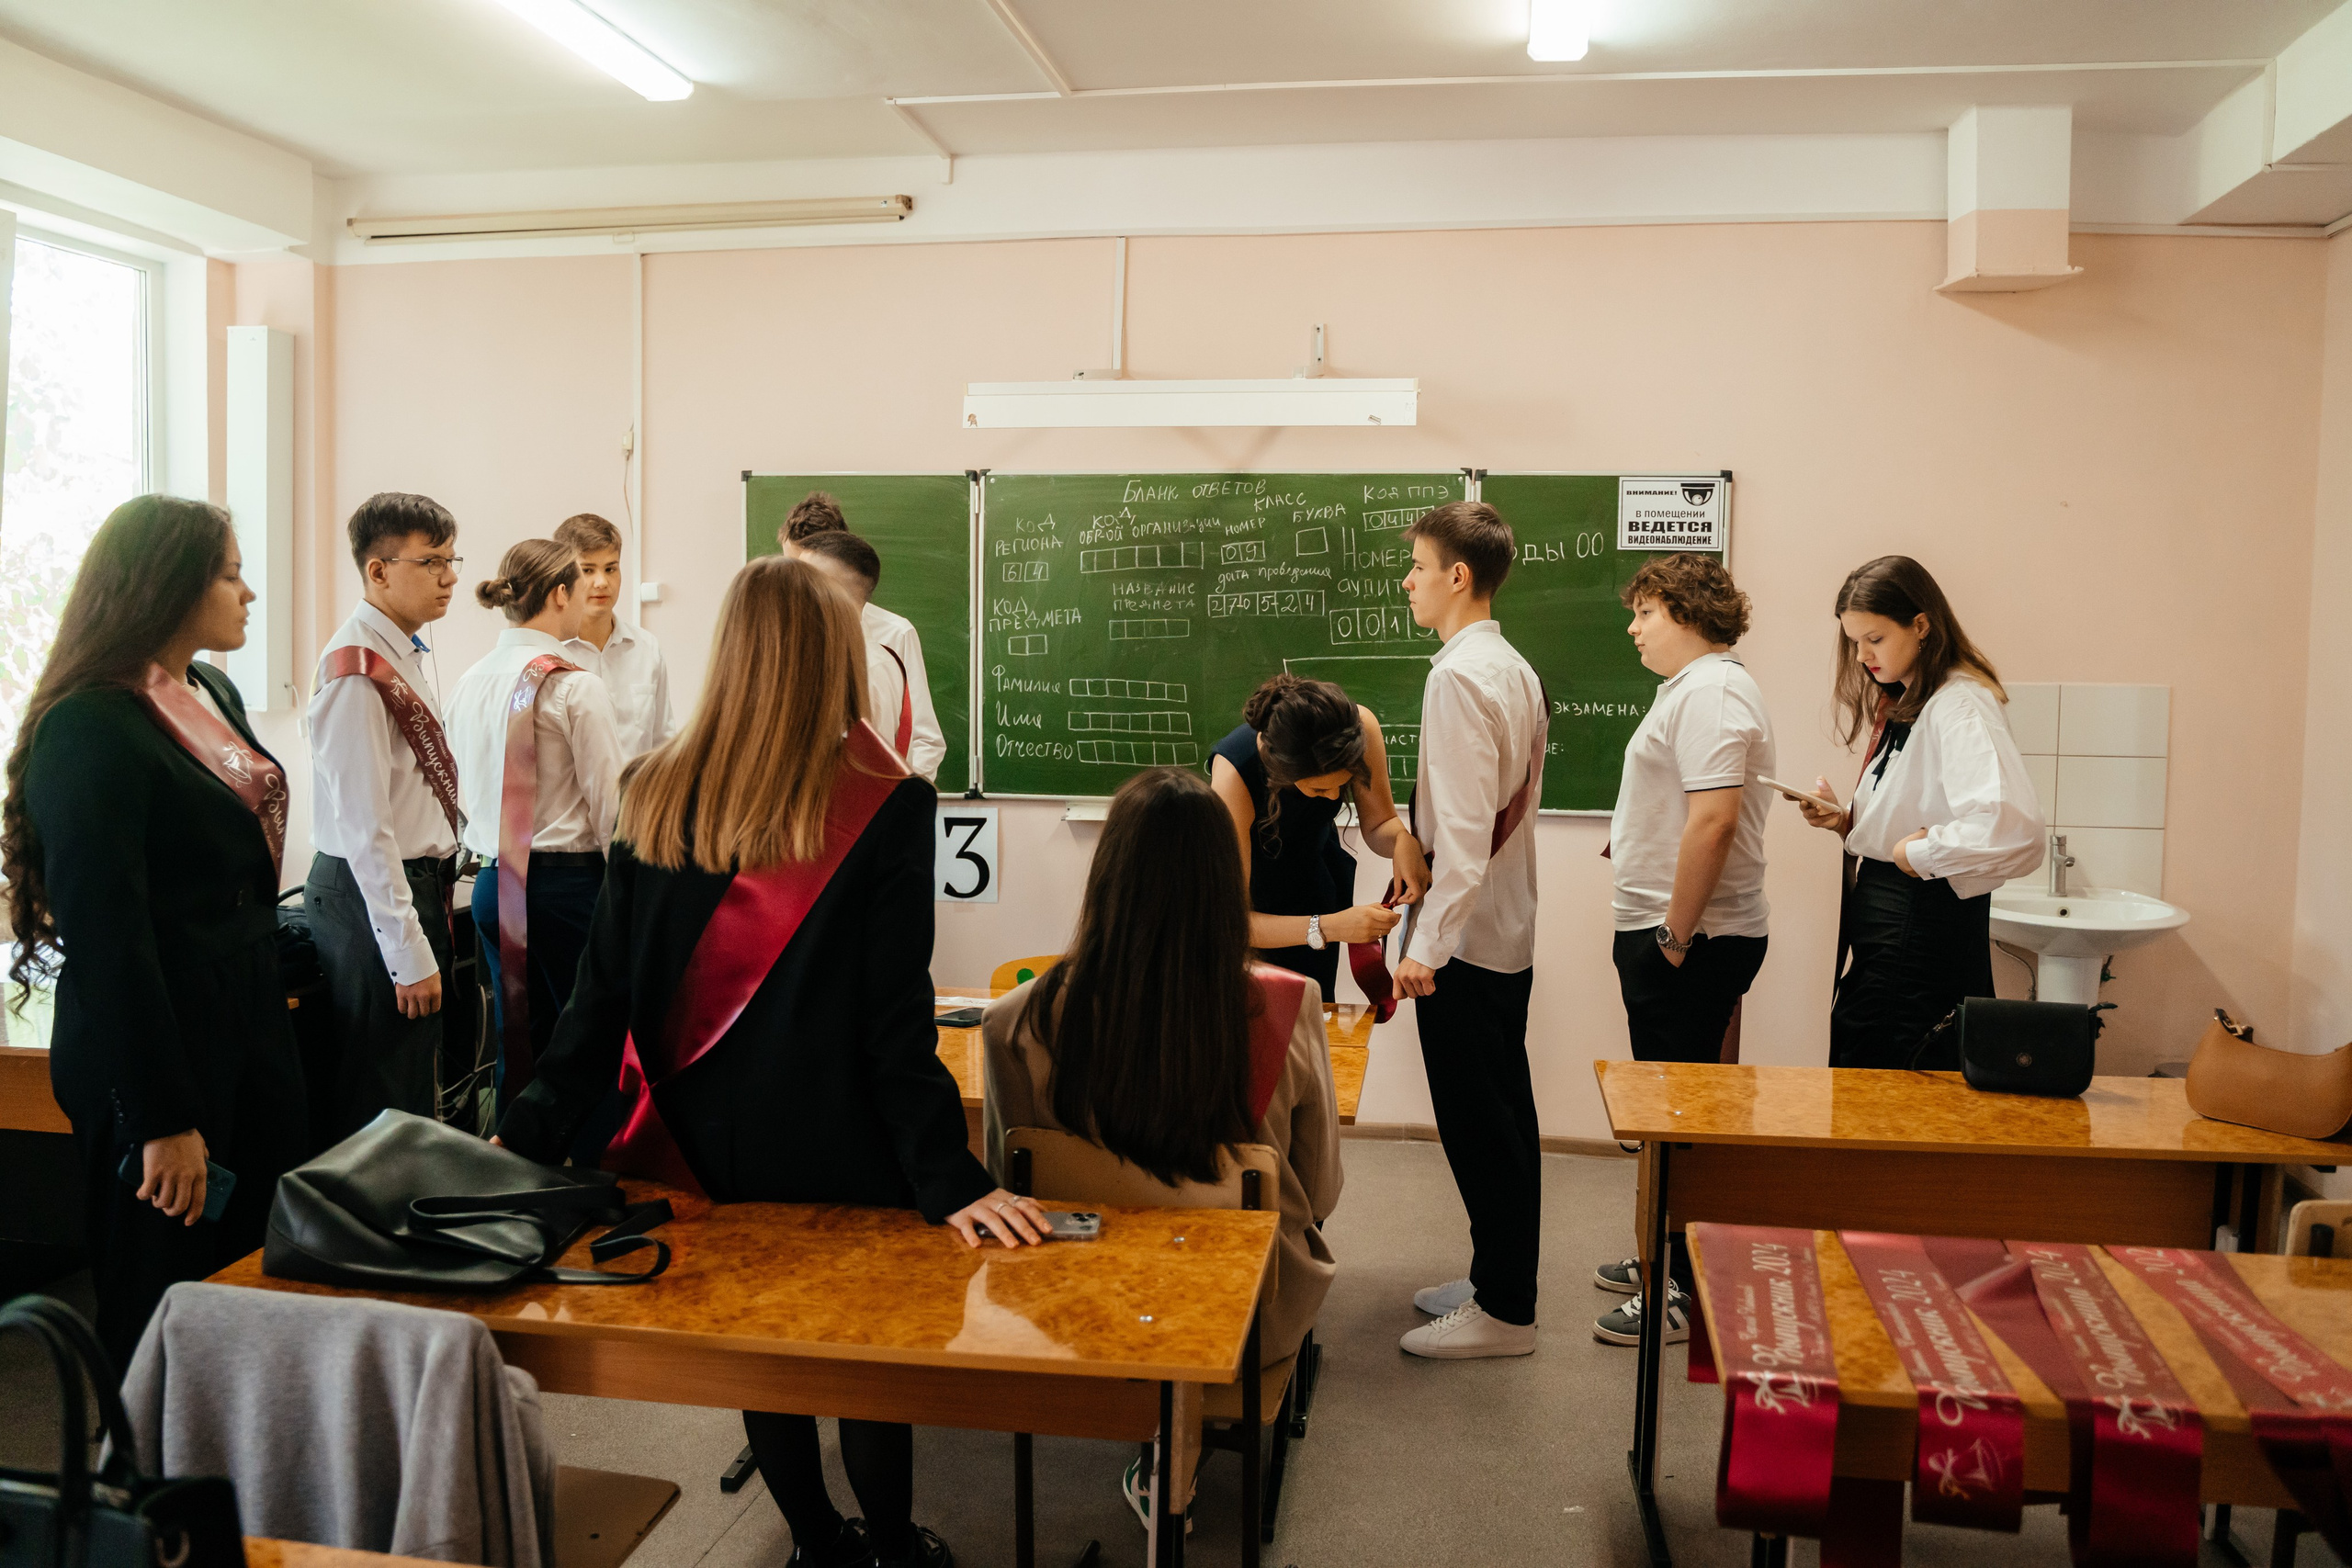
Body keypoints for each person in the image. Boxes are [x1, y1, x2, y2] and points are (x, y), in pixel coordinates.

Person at [496, 554, 1042, 1568]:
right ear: (839, 657)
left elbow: (596, 1004)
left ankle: (814, 1543)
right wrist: (950, 1177)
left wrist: (517, 1133)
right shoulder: (886, 801)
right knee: (862, 1359)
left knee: (762, 1349)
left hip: (695, 1148)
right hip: (842, 1142)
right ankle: (891, 1545)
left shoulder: (654, 792)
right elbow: (893, 1028)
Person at [982, 764, 1344, 1528]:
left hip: (1078, 1307)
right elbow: (1318, 1186)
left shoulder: (1016, 1020)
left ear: (1106, 872)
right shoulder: (1287, 1004)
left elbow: (1006, 1182)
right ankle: (1174, 1454)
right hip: (1246, 1315)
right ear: (1223, 882)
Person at [4, 496, 310, 1367]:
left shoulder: (209, 689)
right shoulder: (91, 723)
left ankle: (246, 1473)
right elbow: (111, 940)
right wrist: (162, 1117)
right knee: (165, 1284)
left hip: (244, 1010)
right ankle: (150, 1484)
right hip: (156, 1037)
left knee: (253, 1266)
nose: (249, 593)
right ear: (167, 584)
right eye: (230, 573)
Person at [1592, 554, 1776, 1349]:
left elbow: (1715, 823)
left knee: (1678, 1120)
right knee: (1672, 1112)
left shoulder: (1713, 691)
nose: (1632, 628)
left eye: (1645, 613)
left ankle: (1681, 1289)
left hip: (1689, 944)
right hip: (1678, 935)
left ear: (1685, 611)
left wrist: (1673, 935)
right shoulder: (1695, 690)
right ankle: (1664, 1256)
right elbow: (1683, 810)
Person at [1391, 502, 1548, 1360]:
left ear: (1459, 575)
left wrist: (1423, 951)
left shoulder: (1456, 677)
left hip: (1465, 943)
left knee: (1480, 1123)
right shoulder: (1514, 667)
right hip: (1505, 932)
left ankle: (1506, 1312)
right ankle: (1499, 1278)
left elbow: (1460, 837)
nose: (1408, 581)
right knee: (1505, 1115)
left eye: (1418, 566)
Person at [1787, 556, 2044, 1069]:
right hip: (1894, 926)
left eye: (1875, 639)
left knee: (1889, 1075)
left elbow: (2014, 831)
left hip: (1916, 929)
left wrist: (1919, 850)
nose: (1862, 656)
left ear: (1921, 624)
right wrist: (1847, 821)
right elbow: (1917, 806)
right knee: (1875, 1067)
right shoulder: (1916, 700)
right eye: (1854, 642)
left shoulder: (1959, 704)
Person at [305, 492, 465, 1145]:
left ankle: (408, 1232)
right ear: (378, 570)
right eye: (432, 562)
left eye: (452, 560)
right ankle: (377, 1242)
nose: (450, 576)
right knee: (383, 1101)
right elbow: (366, 823)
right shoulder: (354, 669)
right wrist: (405, 950)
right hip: (373, 894)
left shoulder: (404, 649)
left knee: (409, 1089)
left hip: (410, 884)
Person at [447, 540, 625, 1124]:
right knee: (589, 1038)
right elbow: (610, 807)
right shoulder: (575, 686)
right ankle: (589, 1170)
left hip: (492, 885)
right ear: (558, 594)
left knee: (516, 1038)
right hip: (565, 888)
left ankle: (516, 1171)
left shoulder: (468, 681)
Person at [1206, 673, 1428, 997]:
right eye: (1320, 788)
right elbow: (1231, 922)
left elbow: (1380, 824)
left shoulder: (1358, 729)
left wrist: (1402, 842)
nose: (1334, 795)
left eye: (1343, 783)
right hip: (1253, 917)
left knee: (1314, 1017)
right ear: (1281, 771)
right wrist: (1331, 926)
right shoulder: (1234, 774)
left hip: (1316, 886)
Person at [782, 496, 946, 784]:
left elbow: (925, 740)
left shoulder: (893, 636)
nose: (794, 587)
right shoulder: (779, 638)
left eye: (807, 576)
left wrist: (902, 807)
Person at [555, 513, 675, 759]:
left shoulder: (646, 648)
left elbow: (663, 741)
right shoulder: (549, 653)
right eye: (588, 570)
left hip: (635, 795)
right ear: (563, 578)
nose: (602, 582)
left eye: (611, 569)